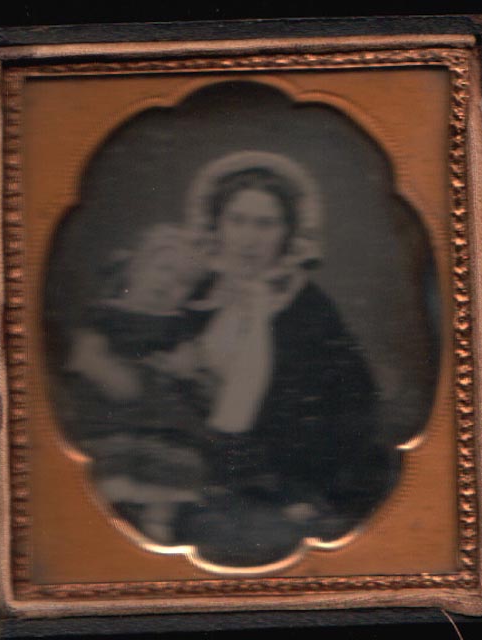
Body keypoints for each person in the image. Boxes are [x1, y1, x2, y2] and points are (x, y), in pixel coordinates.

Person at [65, 151, 398, 565]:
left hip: (282, 474)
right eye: (237, 221)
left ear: (288, 232)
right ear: (217, 224)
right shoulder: (190, 290)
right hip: (174, 457)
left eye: (265, 224)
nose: (248, 238)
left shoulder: (308, 308)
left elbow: (343, 410)